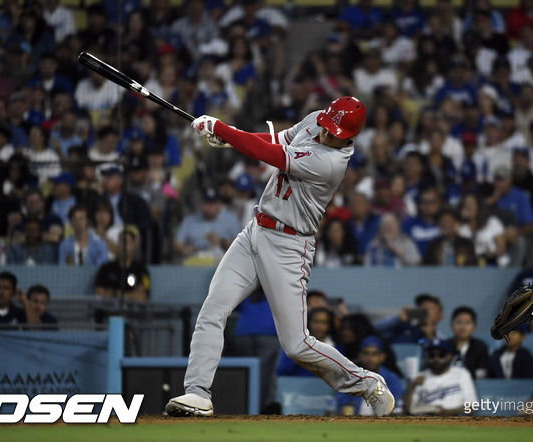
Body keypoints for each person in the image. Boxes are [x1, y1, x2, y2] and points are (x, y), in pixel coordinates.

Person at [166, 97, 396, 417]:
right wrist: (231, 136)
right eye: (329, 127)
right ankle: (197, 393)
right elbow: (277, 139)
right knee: (212, 309)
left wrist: (222, 128)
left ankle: (366, 383)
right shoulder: (318, 120)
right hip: (255, 230)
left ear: (350, 136)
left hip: (289, 245)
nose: (328, 134)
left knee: (297, 345)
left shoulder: (330, 162)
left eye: (336, 132)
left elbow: (272, 154)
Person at [403, 338, 477, 416]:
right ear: (427, 357)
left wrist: (448, 412)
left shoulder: (462, 374)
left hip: (455, 419)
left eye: (441, 355)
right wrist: (412, 386)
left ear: (449, 356)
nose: (436, 359)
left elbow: (472, 407)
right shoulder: (420, 377)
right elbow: (407, 410)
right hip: (427, 421)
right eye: (432, 355)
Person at [336, 336, 404, 416]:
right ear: (360, 355)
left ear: (382, 357)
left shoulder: (391, 378)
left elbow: (397, 407)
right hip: (356, 422)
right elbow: (344, 405)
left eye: (374, 354)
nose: (370, 358)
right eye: (366, 353)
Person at [94, 225, 150, 303]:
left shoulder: (142, 270)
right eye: (121, 241)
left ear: (134, 246)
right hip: (109, 311)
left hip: (132, 313)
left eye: (126, 242)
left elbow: (142, 296)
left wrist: (112, 293)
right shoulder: (106, 268)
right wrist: (130, 295)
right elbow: (99, 292)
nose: (123, 245)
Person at [375, 293, 445, 344]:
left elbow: (419, 342)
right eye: (422, 307)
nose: (425, 310)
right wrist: (398, 319)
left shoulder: (442, 339)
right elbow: (375, 329)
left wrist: (429, 337)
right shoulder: (403, 327)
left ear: (440, 316)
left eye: (431, 308)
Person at [448, 306, 489, 380]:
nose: (463, 327)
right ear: (452, 325)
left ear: (474, 327)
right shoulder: (444, 346)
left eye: (467, 323)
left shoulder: (481, 347)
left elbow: (481, 374)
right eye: (459, 322)